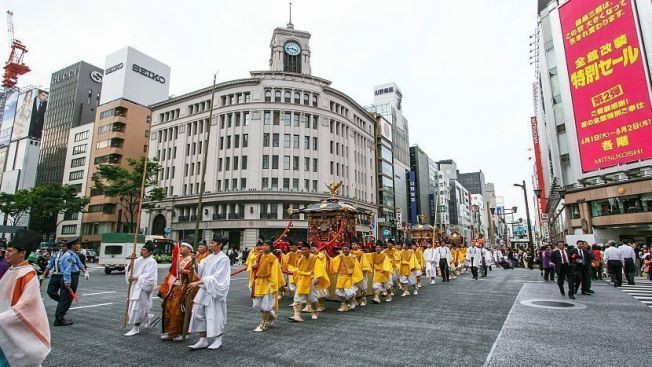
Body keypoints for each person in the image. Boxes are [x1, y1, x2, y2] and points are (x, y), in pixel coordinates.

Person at [0, 229, 50, 367]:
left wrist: (4, 317)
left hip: (13, 324)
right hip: (5, 324)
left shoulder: (28, 274)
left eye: (10, 251)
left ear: (22, 253)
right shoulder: (12, 269)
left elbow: (28, 305)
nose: (6, 253)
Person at [187, 235, 230, 350]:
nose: (210, 245)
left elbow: (217, 277)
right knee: (198, 314)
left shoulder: (224, 259)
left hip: (214, 291)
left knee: (215, 315)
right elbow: (201, 270)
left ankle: (218, 339)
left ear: (220, 245)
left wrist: (198, 283)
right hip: (204, 289)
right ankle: (203, 339)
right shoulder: (209, 257)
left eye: (213, 242)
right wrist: (194, 261)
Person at [160, 240, 197, 341]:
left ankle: (180, 332)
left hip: (183, 288)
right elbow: (171, 273)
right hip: (173, 287)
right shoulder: (178, 259)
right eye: (180, 247)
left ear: (189, 249)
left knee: (179, 311)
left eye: (183, 247)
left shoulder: (192, 260)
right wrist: (165, 285)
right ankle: (169, 331)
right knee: (168, 309)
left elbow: (196, 275)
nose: (180, 248)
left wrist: (184, 271)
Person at [288, 243, 329, 322]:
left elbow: (319, 269)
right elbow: (299, 269)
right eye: (302, 250)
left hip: (311, 280)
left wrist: (317, 278)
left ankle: (314, 312)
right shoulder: (301, 258)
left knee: (313, 299)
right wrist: (292, 271)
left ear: (309, 250)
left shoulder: (315, 258)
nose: (303, 251)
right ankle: (296, 315)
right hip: (302, 280)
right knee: (297, 299)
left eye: (305, 250)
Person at [125, 242, 158, 336]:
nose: (142, 251)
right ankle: (148, 317)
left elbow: (149, 276)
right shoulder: (138, 259)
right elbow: (130, 269)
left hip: (143, 286)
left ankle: (136, 328)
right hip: (136, 286)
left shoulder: (152, 261)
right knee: (139, 306)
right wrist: (131, 263)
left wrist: (136, 278)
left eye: (144, 250)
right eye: (142, 249)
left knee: (139, 307)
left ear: (149, 252)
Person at [250, 240, 284, 331]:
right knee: (258, 304)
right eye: (263, 245)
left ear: (271, 247)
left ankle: (264, 323)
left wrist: (272, 286)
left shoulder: (273, 259)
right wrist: (253, 267)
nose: (264, 247)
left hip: (267, 283)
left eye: (266, 245)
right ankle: (271, 316)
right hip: (258, 283)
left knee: (266, 305)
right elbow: (252, 267)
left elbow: (274, 273)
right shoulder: (259, 256)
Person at [55, 238, 89, 326]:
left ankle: (60, 316)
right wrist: (67, 281)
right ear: (73, 246)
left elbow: (80, 264)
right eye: (77, 244)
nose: (79, 245)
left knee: (67, 298)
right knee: (66, 298)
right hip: (70, 277)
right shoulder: (68, 256)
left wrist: (85, 271)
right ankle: (59, 318)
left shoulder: (74, 255)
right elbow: (67, 270)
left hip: (74, 276)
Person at [329, 245, 363, 312]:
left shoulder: (353, 257)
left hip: (349, 277)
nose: (344, 250)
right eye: (343, 249)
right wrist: (327, 256)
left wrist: (355, 277)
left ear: (350, 250)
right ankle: (343, 304)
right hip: (341, 276)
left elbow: (357, 268)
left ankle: (352, 300)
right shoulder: (340, 256)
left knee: (349, 293)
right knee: (340, 292)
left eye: (346, 249)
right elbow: (333, 261)